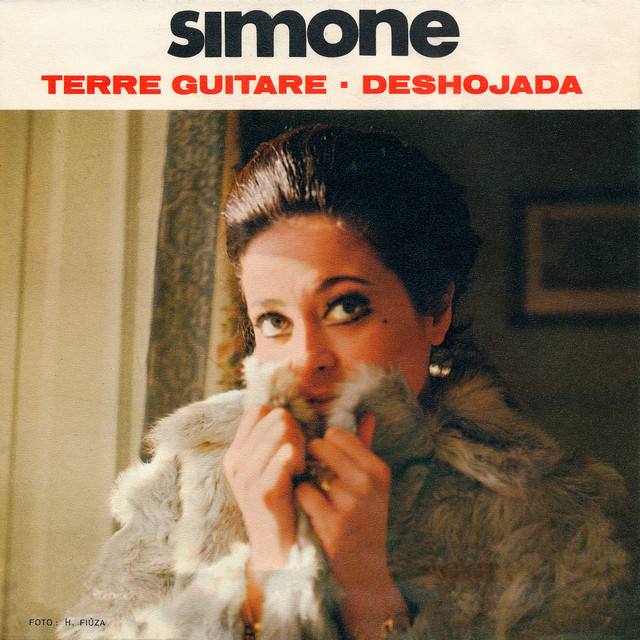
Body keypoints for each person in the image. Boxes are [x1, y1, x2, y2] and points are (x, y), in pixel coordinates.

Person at [58, 124, 634, 640]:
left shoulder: (551, 511)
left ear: (436, 309)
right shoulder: (187, 475)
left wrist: (367, 590)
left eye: (346, 307)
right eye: (275, 321)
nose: (307, 360)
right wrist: (264, 573)